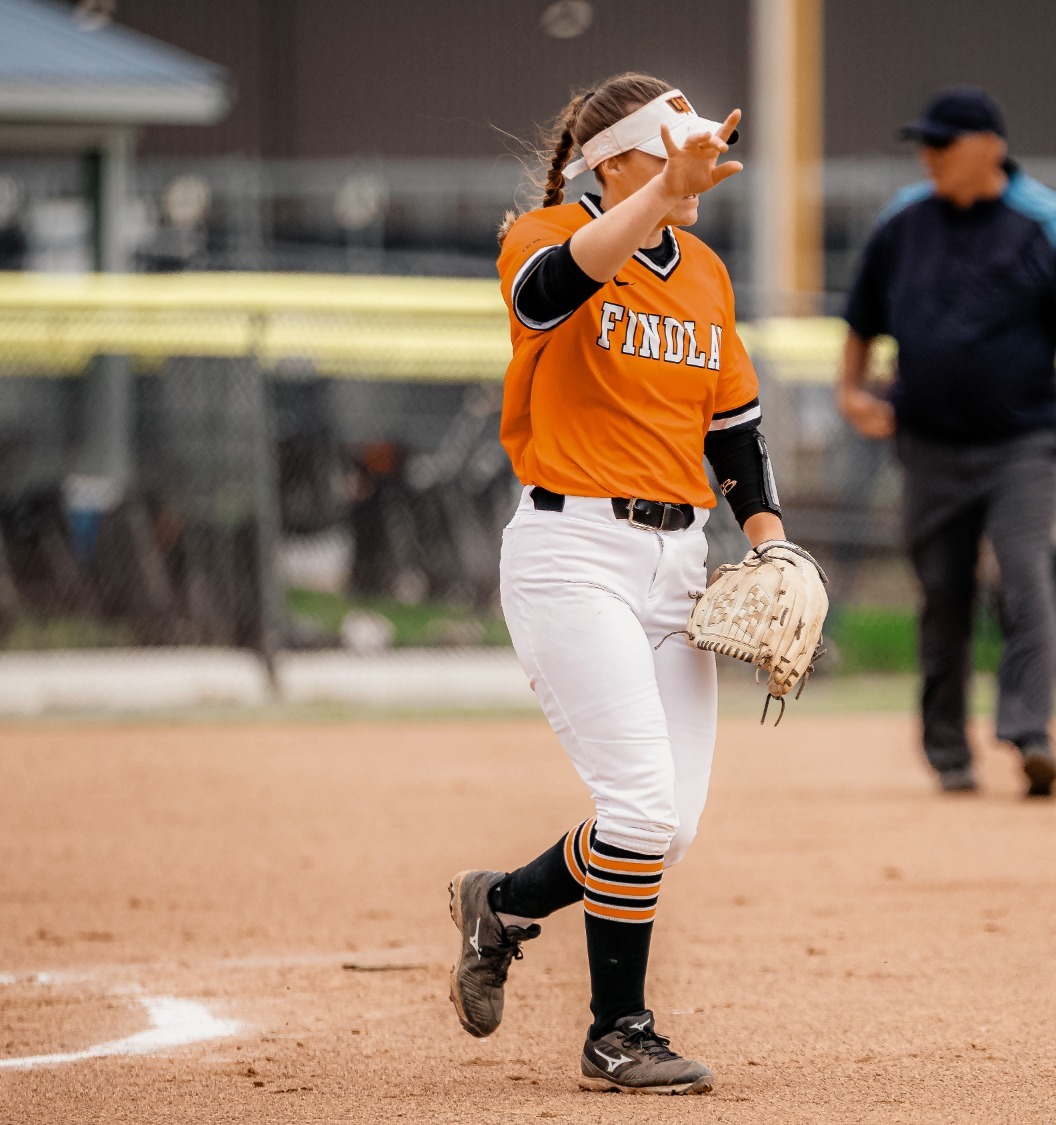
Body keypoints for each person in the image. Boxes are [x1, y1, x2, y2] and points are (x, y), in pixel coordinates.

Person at [449, 73, 808, 1096]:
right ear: (612, 164)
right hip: (572, 554)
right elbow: (550, 290)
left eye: (697, 156)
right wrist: (658, 194)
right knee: (639, 811)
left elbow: (733, 428)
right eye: (670, 152)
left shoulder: (704, 273)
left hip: (677, 562)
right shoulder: (546, 233)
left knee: (664, 830)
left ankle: (501, 903)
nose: (694, 171)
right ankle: (619, 1033)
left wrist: (772, 543)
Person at [836, 86, 1056, 799]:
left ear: (990, 148)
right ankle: (949, 751)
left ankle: (1031, 733)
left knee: (1026, 575)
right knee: (943, 592)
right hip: (928, 443)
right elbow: (862, 317)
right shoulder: (903, 220)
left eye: (943, 143)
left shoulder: (1053, 222)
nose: (929, 155)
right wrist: (850, 391)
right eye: (925, 143)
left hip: (1021, 444)